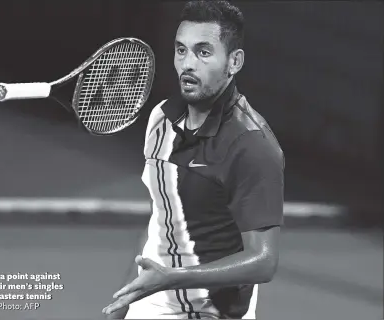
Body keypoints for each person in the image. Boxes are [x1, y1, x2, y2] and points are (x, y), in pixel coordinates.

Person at [103, 1, 285, 319]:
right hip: (156, 299)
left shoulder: (251, 146)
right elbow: (161, 220)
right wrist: (128, 300)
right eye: (181, 50)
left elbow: (264, 261)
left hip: (215, 311)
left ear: (234, 61)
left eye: (203, 52)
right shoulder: (160, 119)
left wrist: (173, 278)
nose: (188, 64)